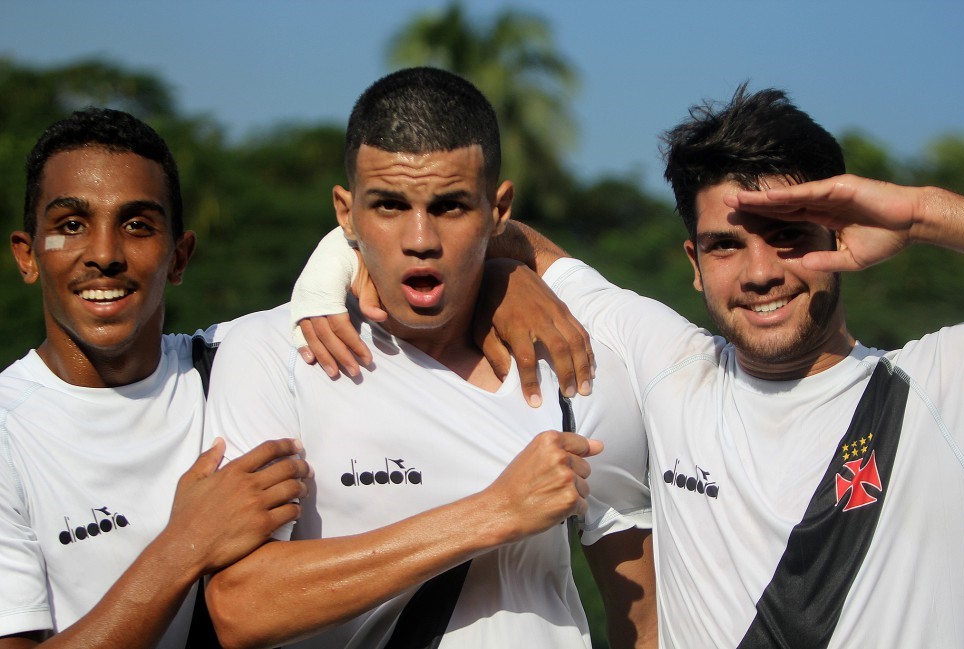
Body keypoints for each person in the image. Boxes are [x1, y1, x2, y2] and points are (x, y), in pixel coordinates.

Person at [305, 85, 964, 647]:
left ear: (840, 235)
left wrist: (920, 214)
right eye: (726, 245)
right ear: (692, 263)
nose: (761, 272)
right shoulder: (668, 366)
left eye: (791, 237)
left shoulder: (942, 387)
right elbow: (463, 226)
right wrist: (339, 260)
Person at [203, 67, 655, 649]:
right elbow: (241, 606)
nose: (420, 238)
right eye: (389, 205)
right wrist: (492, 513)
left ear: (499, 211)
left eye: (450, 206)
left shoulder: (569, 368)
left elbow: (642, 620)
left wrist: (513, 272)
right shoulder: (271, 352)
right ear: (346, 212)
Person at [0, 108, 310, 648]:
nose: (103, 255)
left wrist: (509, 262)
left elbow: (394, 263)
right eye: (71, 225)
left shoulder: (235, 362)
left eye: (137, 225)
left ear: (179, 256)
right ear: (27, 257)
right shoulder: (7, 431)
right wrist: (187, 544)